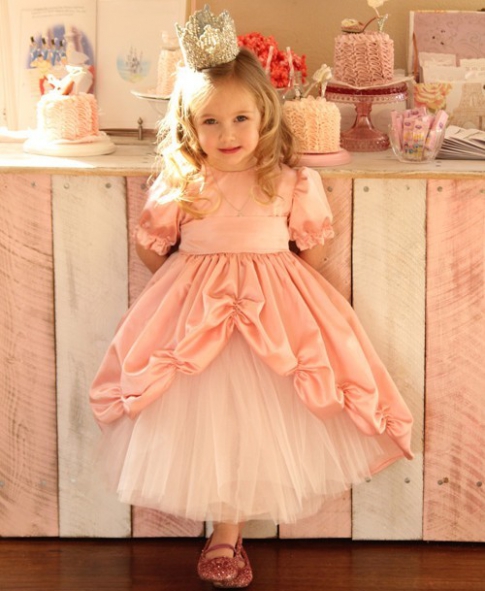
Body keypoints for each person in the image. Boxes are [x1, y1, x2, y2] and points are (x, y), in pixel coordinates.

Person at [90, 6, 413, 588]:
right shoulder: (182, 182)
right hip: (195, 318)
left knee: (258, 422)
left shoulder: (289, 179)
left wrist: (276, 283)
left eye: (240, 118)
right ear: (189, 126)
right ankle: (223, 532)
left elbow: (311, 251)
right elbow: (152, 249)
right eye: (210, 122)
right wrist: (189, 272)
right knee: (206, 419)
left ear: (264, 114)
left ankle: (228, 531)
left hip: (275, 316)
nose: (228, 134)